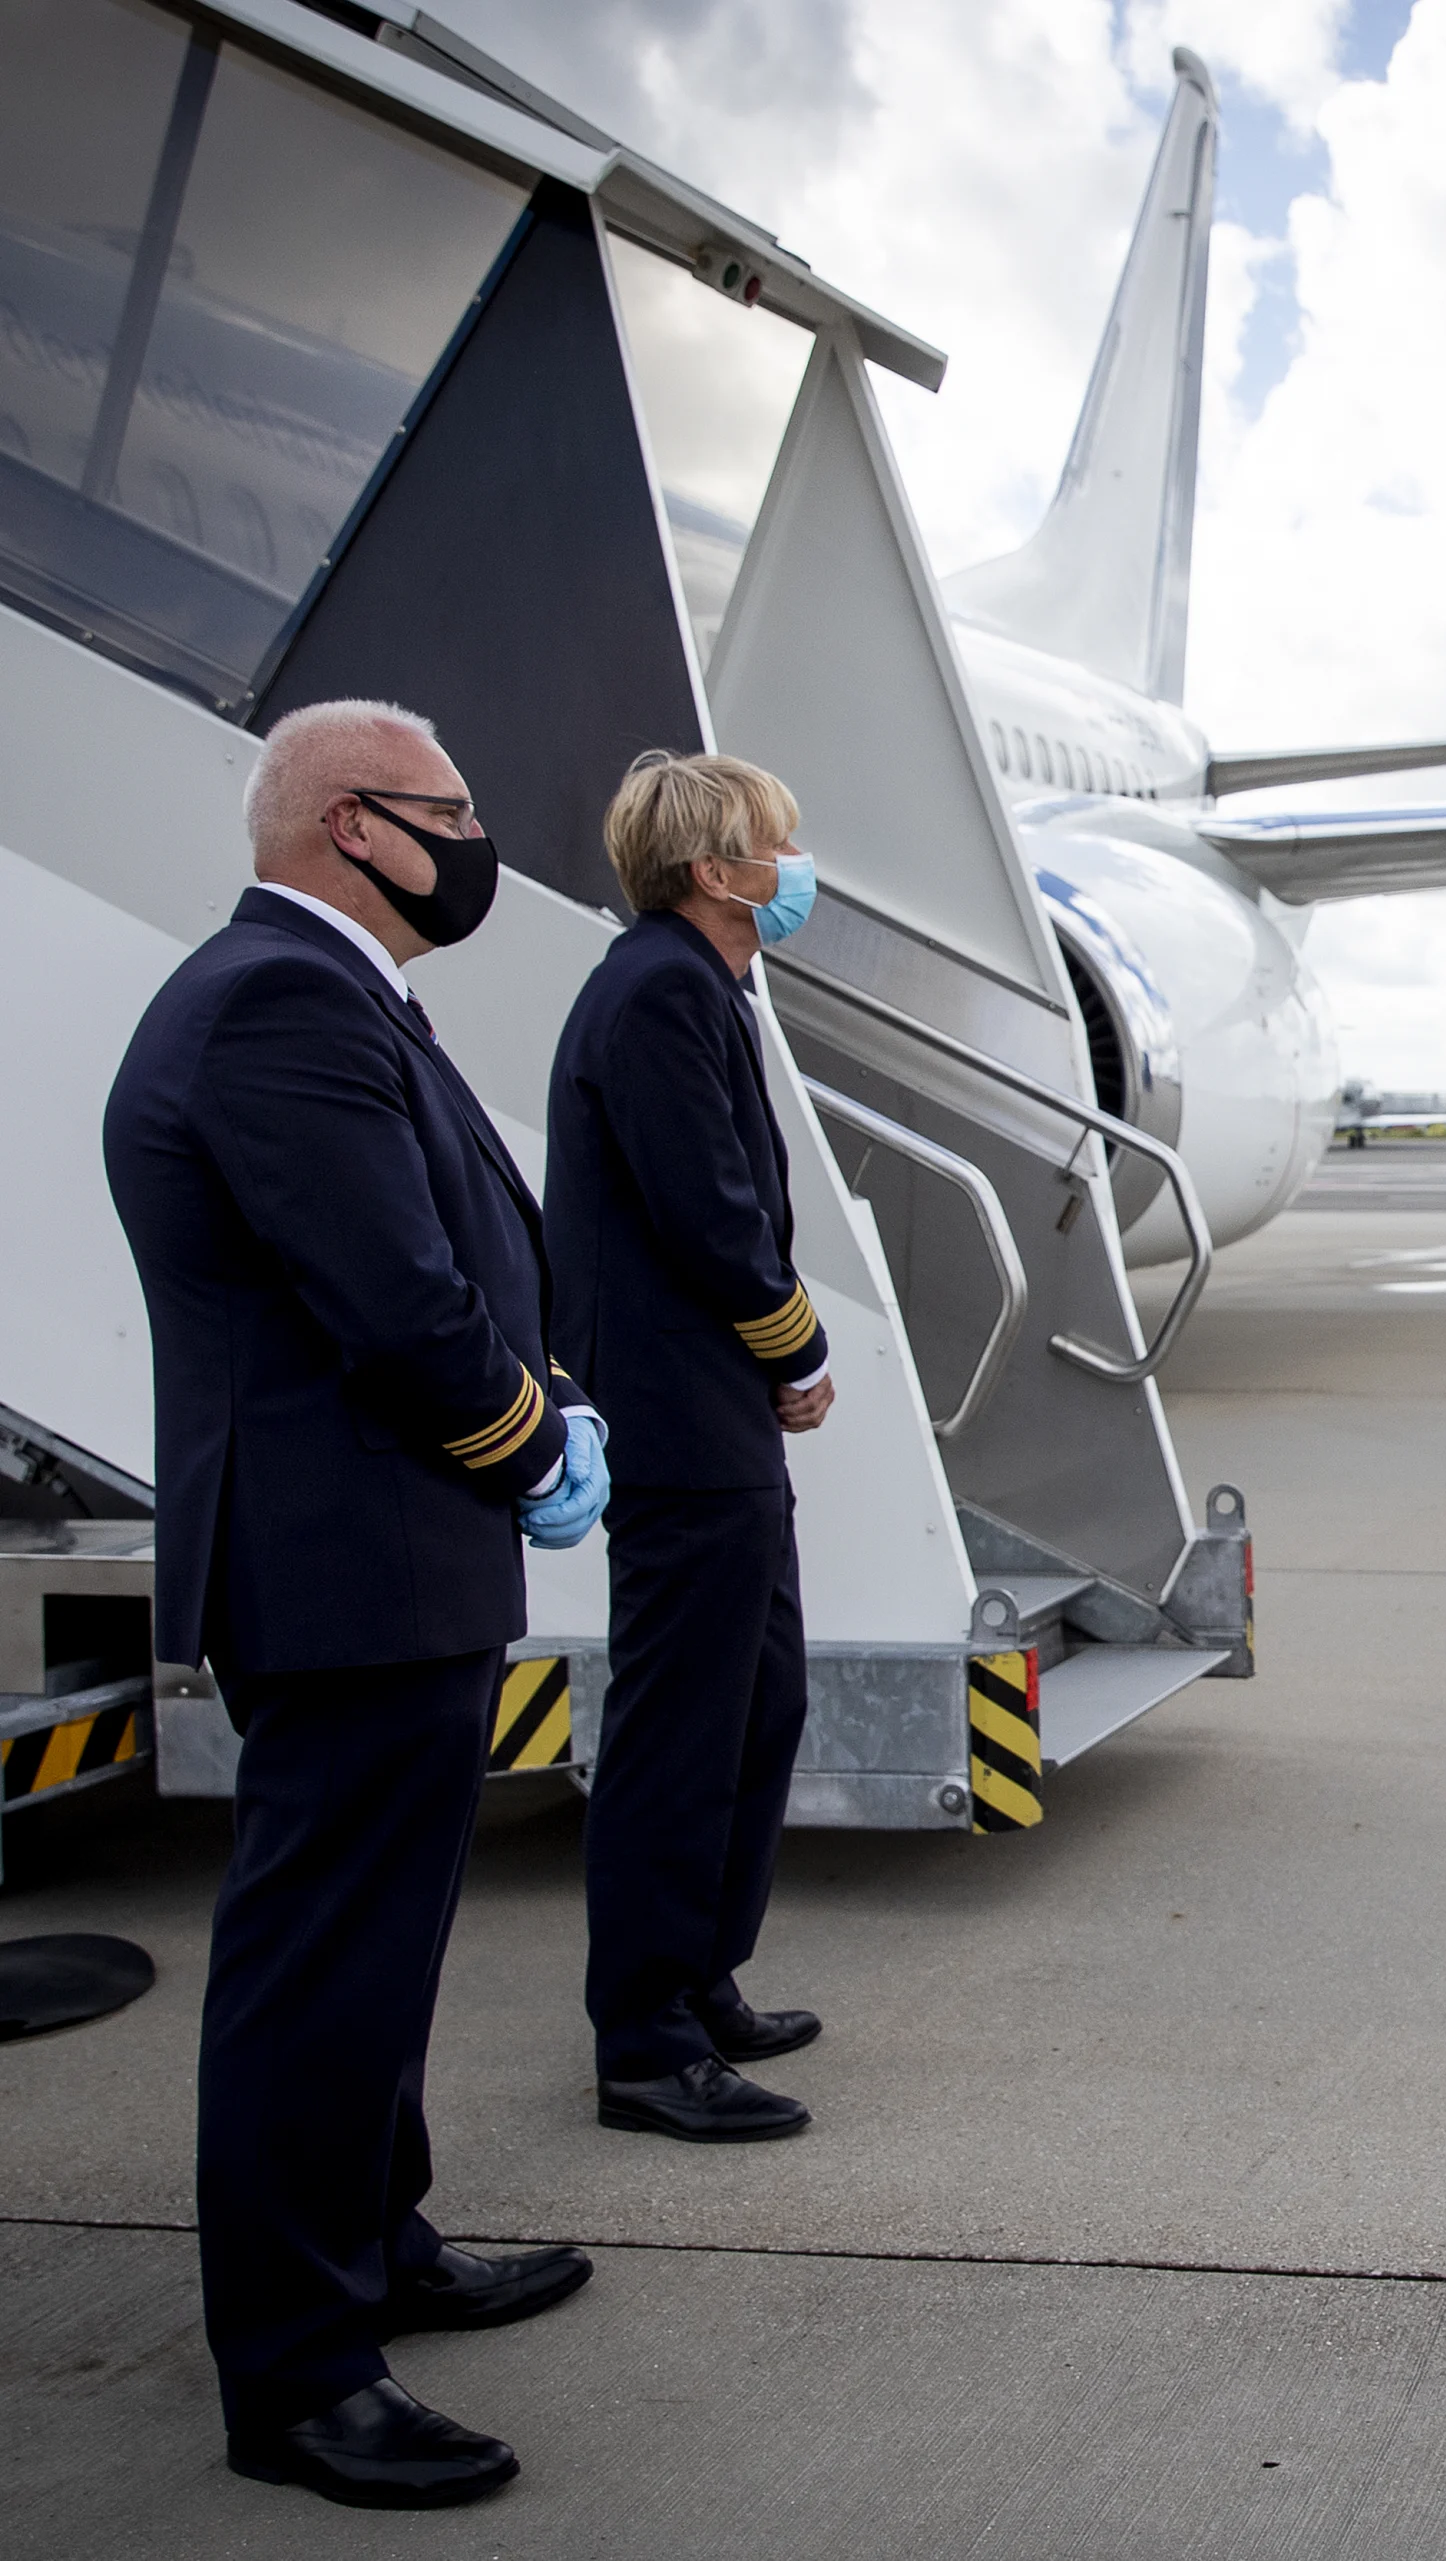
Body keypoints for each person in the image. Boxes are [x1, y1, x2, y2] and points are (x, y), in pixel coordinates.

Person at [103, 699, 608, 2509]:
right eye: (449, 812)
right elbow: (393, 1298)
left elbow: (454, 1254)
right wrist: (532, 1441)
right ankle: (301, 2370)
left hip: (385, 1556)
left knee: (377, 1947)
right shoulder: (280, 1003)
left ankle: (377, 2242)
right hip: (346, 1567)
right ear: (351, 823)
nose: (477, 841)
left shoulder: (334, 995)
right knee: (318, 1967)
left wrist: (541, 1399)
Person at [545, 751, 836, 2143]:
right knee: (683, 1723)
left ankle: (702, 1968)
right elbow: (711, 1211)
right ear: (718, 871)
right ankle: (646, 2037)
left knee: (757, 1698)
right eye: (778, 844)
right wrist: (798, 1346)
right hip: (680, 1413)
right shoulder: (662, 988)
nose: (796, 865)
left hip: (706, 1410)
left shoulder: (697, 984)